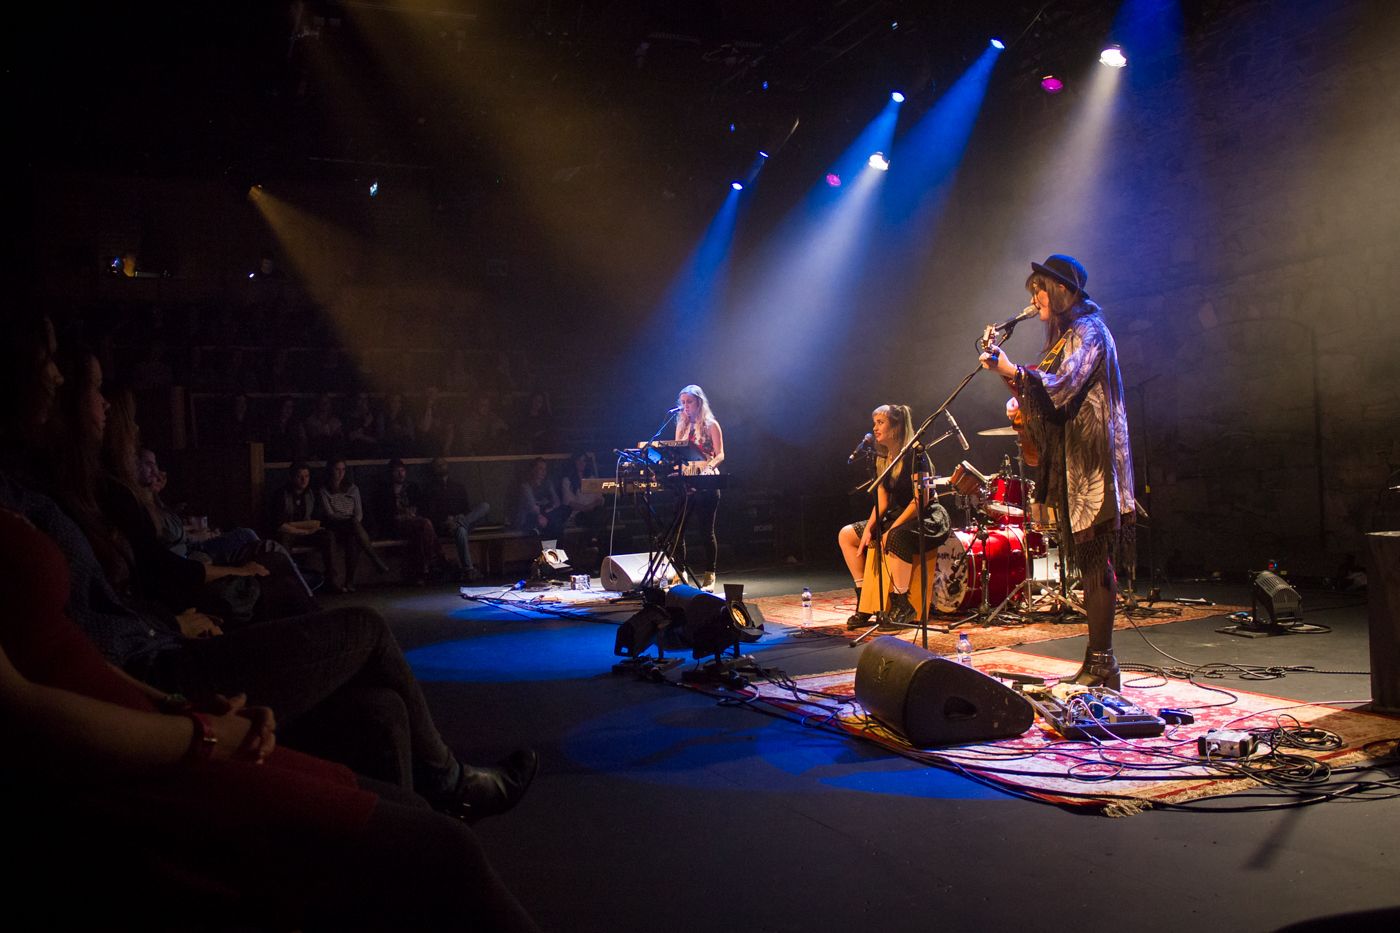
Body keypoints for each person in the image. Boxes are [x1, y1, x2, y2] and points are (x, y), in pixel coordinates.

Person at [0, 313, 539, 821]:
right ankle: (448, 785)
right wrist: (175, 658)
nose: (103, 405)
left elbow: (114, 596)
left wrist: (166, 618)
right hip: (160, 668)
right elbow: (92, 620)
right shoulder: (33, 499)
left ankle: (415, 841)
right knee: (365, 626)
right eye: (86, 384)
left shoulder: (67, 493)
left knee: (382, 710)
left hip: (162, 650)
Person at [0, 508, 541, 932]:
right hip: (122, 761)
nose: (58, 374)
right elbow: (22, 714)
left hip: (147, 692)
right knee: (448, 846)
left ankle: (431, 812)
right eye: (50, 361)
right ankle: (451, 784)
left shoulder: (33, 485)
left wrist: (176, 706)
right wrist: (204, 733)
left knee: (382, 714)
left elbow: (82, 646)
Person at [980, 254, 1135, 687]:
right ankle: (1098, 661)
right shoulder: (1066, 335)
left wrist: (1012, 369)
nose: (1035, 298)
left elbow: (1060, 385)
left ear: (1064, 291)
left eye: (1040, 289)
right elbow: (1041, 391)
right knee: (1088, 558)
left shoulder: (1089, 330)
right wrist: (1007, 376)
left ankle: (1105, 664)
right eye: (1032, 291)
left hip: (1094, 459)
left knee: (1094, 557)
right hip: (1075, 458)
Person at [836, 404, 943, 630]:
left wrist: (891, 529)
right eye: (874, 423)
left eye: (880, 423)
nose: (874, 428)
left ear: (896, 427)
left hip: (926, 517)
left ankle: (902, 603)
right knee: (847, 535)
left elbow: (920, 501)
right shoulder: (883, 456)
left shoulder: (916, 454)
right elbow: (882, 501)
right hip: (899, 514)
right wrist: (868, 530)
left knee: (894, 536)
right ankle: (865, 600)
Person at [674, 384, 724, 591]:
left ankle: (710, 574)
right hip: (686, 481)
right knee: (678, 531)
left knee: (706, 531)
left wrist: (709, 467)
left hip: (706, 481)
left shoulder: (711, 425)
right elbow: (677, 451)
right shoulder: (681, 426)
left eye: (689, 402)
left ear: (699, 402)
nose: (685, 406)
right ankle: (680, 572)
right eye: (683, 402)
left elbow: (720, 453)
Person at [318, 458, 391, 593]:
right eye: (337, 470)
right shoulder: (324, 490)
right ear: (330, 471)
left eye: (343, 470)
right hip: (335, 526)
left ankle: (349, 581)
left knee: (353, 537)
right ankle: (375, 559)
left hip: (352, 526)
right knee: (352, 524)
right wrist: (348, 519)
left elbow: (358, 513)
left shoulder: (352, 489)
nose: (340, 473)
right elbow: (330, 514)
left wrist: (352, 520)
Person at [421, 456, 490, 583]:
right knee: (461, 531)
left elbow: (466, 508)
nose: (442, 467)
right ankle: (469, 569)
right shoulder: (429, 489)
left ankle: (458, 523)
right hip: (444, 525)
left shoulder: (458, 487)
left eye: (443, 464)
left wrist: (459, 518)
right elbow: (429, 513)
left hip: (462, 520)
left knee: (485, 506)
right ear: (433, 469)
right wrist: (447, 520)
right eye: (438, 465)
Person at [376, 457, 439, 585]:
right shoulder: (384, 490)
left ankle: (422, 572)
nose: (400, 474)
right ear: (391, 473)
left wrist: (413, 512)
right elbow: (382, 512)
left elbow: (422, 505)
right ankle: (434, 561)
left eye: (402, 470)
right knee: (424, 525)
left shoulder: (412, 487)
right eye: (397, 471)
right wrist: (399, 516)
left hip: (414, 522)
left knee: (420, 532)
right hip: (395, 525)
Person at [514, 458, 568, 542]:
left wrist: (548, 511)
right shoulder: (526, 486)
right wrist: (542, 514)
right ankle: (552, 553)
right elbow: (532, 506)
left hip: (545, 513)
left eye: (545, 469)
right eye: (540, 468)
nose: (543, 472)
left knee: (563, 511)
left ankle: (550, 552)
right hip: (529, 517)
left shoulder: (547, 483)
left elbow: (557, 501)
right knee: (553, 524)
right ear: (533, 470)